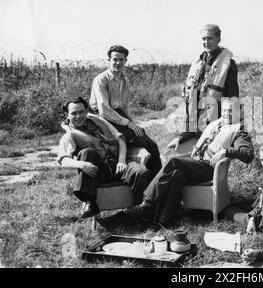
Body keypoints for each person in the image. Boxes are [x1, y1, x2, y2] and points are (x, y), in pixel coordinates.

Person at [124, 100, 253, 226]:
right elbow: (194, 130)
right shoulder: (217, 123)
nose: (226, 114)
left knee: (174, 161)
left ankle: (149, 204)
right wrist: (179, 138)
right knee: (177, 174)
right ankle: (166, 219)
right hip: (196, 161)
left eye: (230, 111)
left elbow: (248, 154)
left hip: (209, 168)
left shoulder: (240, 130)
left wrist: (225, 151)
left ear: (239, 112)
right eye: (224, 111)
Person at [57, 97, 151, 218]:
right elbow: (63, 160)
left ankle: (137, 210)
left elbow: (120, 139)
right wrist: (82, 165)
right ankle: (89, 202)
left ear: (86, 111)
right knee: (87, 152)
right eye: (74, 113)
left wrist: (121, 161)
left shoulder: (98, 122)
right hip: (98, 171)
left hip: (118, 165)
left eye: (81, 112)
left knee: (141, 171)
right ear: (67, 115)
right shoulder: (69, 135)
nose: (78, 116)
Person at [164, 24, 239, 157]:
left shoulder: (228, 64)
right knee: (169, 154)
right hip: (194, 126)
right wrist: (182, 135)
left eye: (210, 38)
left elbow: (233, 97)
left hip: (215, 125)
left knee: (200, 161)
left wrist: (227, 129)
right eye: (203, 39)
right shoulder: (198, 63)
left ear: (218, 39)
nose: (206, 42)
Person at [89, 45, 162, 179]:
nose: (118, 63)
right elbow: (104, 110)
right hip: (102, 116)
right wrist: (128, 124)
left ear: (125, 61)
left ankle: (154, 180)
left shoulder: (124, 79)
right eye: (115, 59)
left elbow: (125, 107)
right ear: (108, 60)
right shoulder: (101, 79)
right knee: (149, 144)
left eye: (121, 60)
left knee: (144, 137)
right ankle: (155, 182)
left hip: (117, 114)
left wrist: (133, 123)